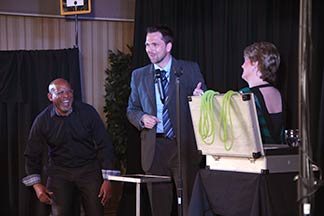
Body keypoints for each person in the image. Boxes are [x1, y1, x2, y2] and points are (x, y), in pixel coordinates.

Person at [127, 24, 206, 216]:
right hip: (155, 148)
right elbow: (132, 109)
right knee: (159, 208)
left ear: (168, 47)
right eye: (147, 45)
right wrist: (141, 117)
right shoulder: (139, 75)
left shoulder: (188, 69)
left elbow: (204, 105)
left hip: (183, 146)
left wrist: (199, 98)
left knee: (189, 206)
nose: (149, 49)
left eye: (155, 44)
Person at [22, 78, 120, 216]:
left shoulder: (88, 112)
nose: (66, 96)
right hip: (59, 172)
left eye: (69, 92)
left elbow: (105, 144)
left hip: (89, 170)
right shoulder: (42, 120)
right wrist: (37, 185)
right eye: (61, 92)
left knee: (96, 212)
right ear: (51, 97)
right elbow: (32, 154)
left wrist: (108, 180)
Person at [240, 41, 285, 144]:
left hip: (255, 159)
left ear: (255, 64)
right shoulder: (277, 93)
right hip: (279, 157)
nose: (242, 66)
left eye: (245, 61)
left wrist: (201, 97)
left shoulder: (246, 94)